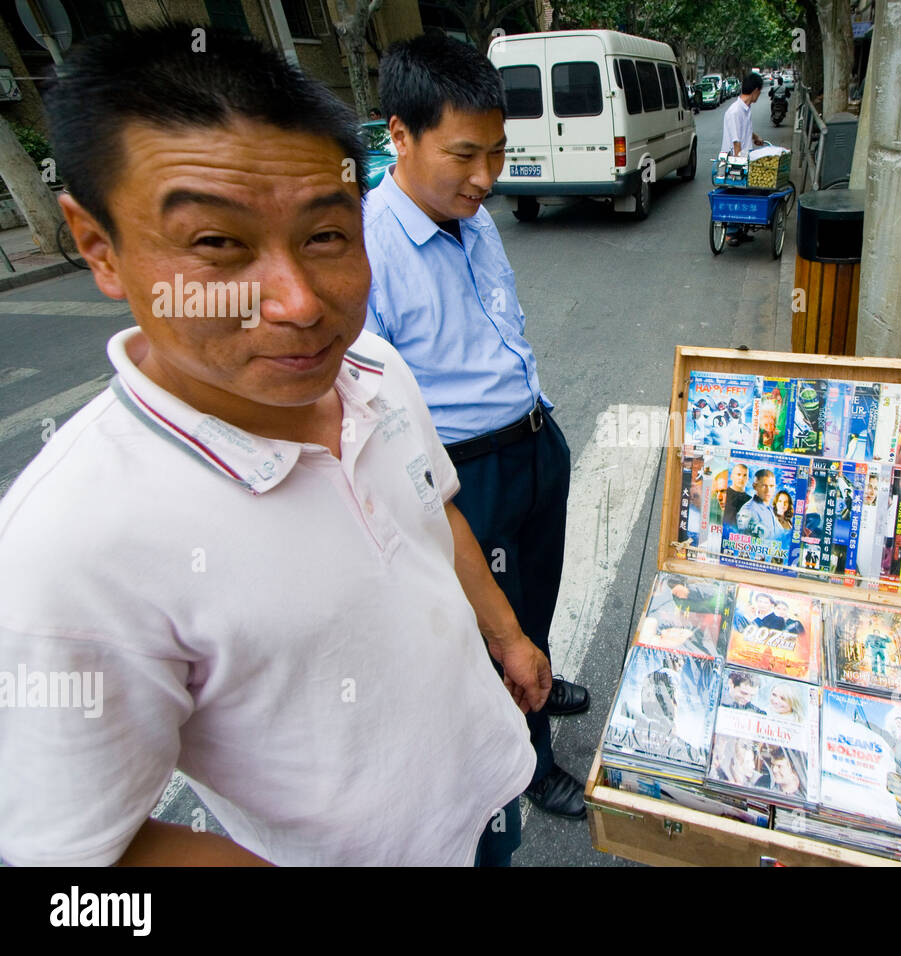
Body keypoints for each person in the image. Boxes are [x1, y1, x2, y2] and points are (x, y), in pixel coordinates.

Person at [0, 24, 548, 867]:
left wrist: (507, 636)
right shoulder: (63, 544)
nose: (298, 303)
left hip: (488, 798)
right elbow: (74, 861)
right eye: (219, 245)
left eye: (326, 236)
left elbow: (435, 508)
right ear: (98, 247)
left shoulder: (376, 367)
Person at [362, 34, 590, 820]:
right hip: (467, 474)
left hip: (533, 443)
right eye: (465, 155)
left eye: (497, 153)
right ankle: (529, 764)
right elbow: (371, 417)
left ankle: (539, 678)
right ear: (400, 133)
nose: (486, 177)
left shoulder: (474, 215)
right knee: (495, 628)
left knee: (535, 601)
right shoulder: (370, 249)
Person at [719, 72, 764, 246]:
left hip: (744, 157)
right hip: (733, 160)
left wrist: (755, 137)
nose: (759, 95)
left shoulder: (746, 110)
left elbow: (746, 130)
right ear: (754, 91)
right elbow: (736, 142)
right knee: (737, 193)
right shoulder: (735, 112)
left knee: (746, 192)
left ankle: (740, 230)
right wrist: (740, 164)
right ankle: (731, 232)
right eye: (759, 92)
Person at [736, 468, 779, 540]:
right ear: (754, 486)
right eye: (764, 486)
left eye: (771, 486)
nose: (768, 490)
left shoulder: (770, 507)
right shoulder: (748, 510)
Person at [722, 462, 750, 527]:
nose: (741, 478)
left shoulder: (750, 501)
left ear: (747, 479)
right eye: (738, 474)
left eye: (744, 475)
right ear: (731, 476)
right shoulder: (722, 495)